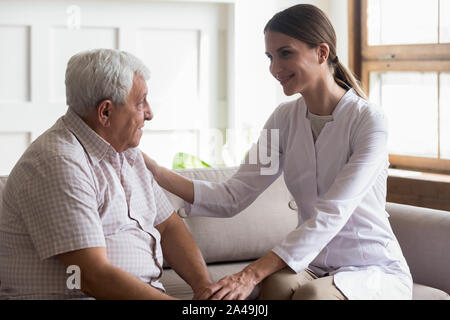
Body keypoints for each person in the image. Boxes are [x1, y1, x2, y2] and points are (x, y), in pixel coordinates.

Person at [142, 4, 413, 300]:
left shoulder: (368, 121)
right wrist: (155, 172)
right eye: (270, 57)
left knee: (312, 296)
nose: (274, 68)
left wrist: (250, 272)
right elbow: (233, 195)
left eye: (285, 53)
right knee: (274, 287)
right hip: (313, 263)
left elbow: (333, 211)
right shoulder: (283, 119)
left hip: (370, 267)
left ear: (322, 53)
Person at [0, 49, 213, 299]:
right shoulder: (57, 162)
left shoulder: (127, 153)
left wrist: (205, 287)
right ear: (105, 112)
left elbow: (168, 227)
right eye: (140, 102)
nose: (150, 113)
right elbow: (91, 276)